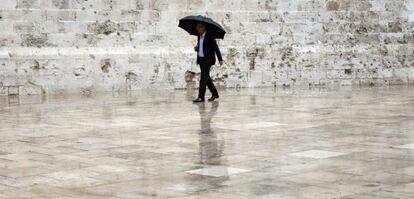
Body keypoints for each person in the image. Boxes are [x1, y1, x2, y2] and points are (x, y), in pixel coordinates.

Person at [193, 22, 223, 103]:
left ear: (203, 27)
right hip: (201, 59)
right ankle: (215, 94)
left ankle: (201, 97)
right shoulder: (199, 36)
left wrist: (220, 59)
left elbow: (216, 48)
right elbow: (201, 47)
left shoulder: (210, 36)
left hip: (208, 60)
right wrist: (197, 48)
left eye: (199, 27)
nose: (197, 29)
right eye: (197, 27)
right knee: (207, 78)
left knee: (203, 79)